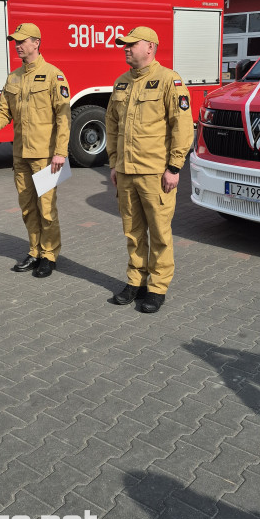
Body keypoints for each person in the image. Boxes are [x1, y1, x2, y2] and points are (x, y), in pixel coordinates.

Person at [105, 26, 194, 313]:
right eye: (124, 45)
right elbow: (112, 126)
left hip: (156, 173)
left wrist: (174, 166)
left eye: (132, 44)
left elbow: (181, 126)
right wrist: (115, 163)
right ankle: (136, 281)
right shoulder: (121, 83)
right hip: (127, 172)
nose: (126, 48)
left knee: (159, 232)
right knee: (132, 232)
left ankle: (157, 287)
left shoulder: (169, 80)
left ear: (150, 47)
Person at [0, 23, 71, 278]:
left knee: (46, 207)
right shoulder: (13, 77)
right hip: (21, 155)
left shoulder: (53, 75)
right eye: (15, 40)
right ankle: (34, 250)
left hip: (46, 156)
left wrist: (60, 152)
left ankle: (49, 254)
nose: (18, 44)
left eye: (22, 41)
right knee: (27, 207)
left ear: (36, 43)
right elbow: (4, 110)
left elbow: (63, 116)